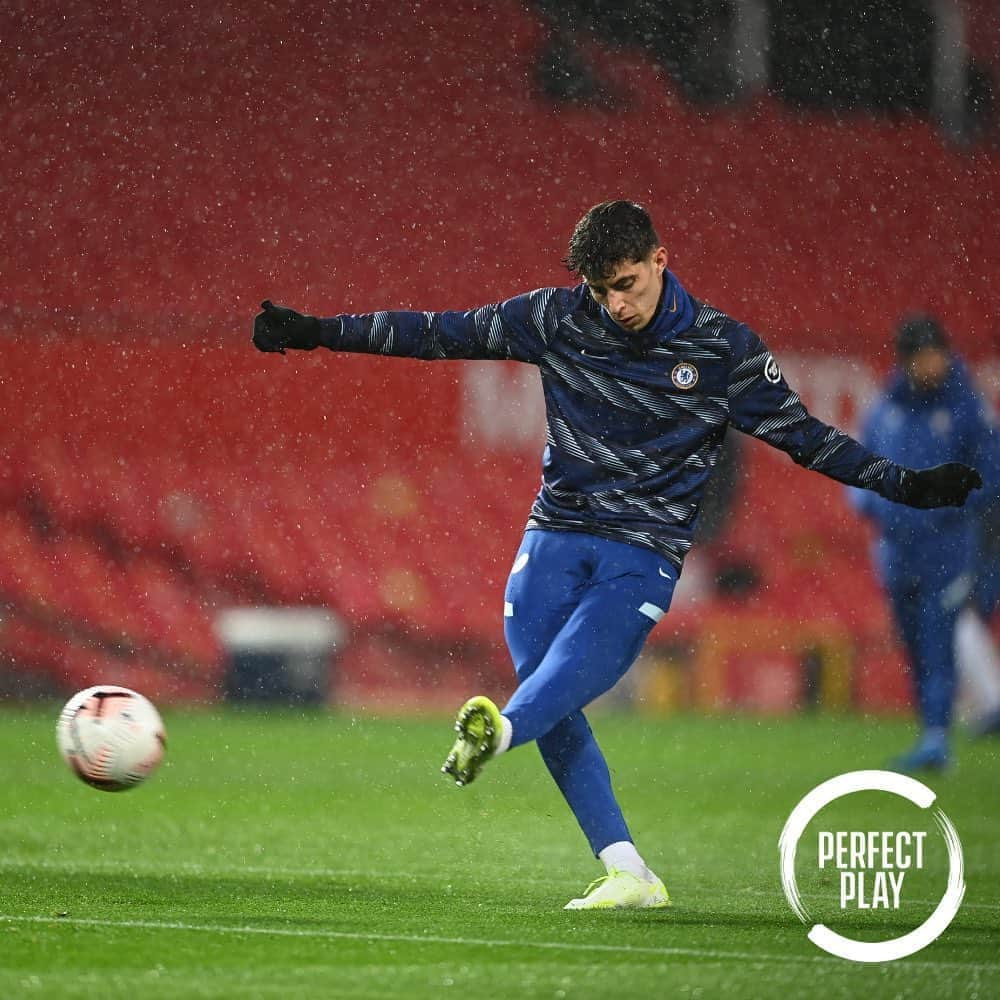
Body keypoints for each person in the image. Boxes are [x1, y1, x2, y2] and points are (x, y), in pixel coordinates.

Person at [252, 201, 982, 909]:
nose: (615, 304)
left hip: (645, 547)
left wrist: (906, 484)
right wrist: (318, 331)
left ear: (660, 261)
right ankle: (625, 868)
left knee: (560, 682)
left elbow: (807, 437)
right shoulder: (557, 318)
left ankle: (501, 734)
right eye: (600, 290)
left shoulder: (722, 348)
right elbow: (436, 333)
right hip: (556, 531)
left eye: (626, 284)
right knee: (547, 684)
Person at [850, 316, 998, 771]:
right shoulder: (884, 408)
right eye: (924, 356)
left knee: (939, 637)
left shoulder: (967, 409)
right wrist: (869, 504)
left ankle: (937, 736)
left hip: (947, 548)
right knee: (912, 641)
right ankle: (930, 732)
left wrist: (942, 502)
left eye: (938, 354)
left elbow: (990, 479)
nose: (934, 364)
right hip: (896, 550)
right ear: (907, 360)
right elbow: (858, 465)